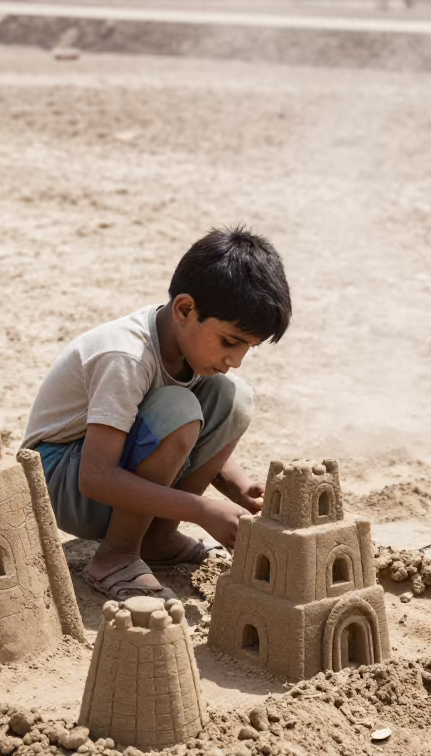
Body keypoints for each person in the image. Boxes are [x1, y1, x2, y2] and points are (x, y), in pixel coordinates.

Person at [21, 226, 292, 601]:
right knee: (177, 409)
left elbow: (186, 435)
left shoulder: (188, 346)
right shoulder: (125, 356)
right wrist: (201, 510)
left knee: (233, 397)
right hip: (61, 480)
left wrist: (237, 487)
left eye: (249, 347)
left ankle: (157, 539)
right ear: (184, 309)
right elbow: (96, 479)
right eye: (230, 342)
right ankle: (116, 555)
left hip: (103, 474)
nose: (236, 360)